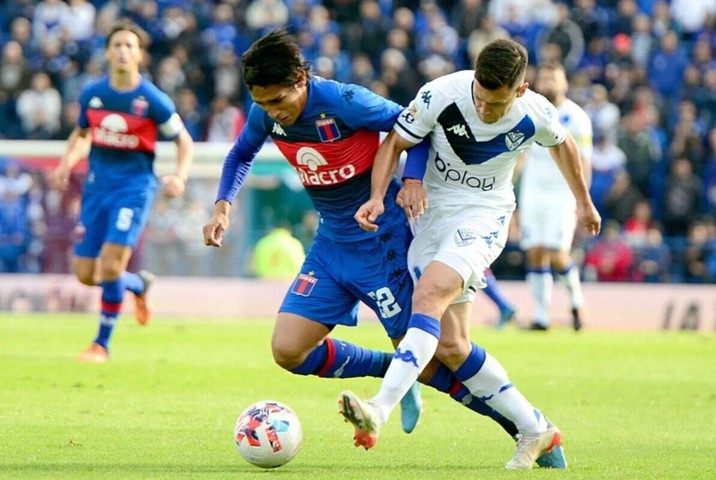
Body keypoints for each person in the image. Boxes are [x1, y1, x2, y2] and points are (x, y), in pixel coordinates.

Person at [201, 31, 564, 467]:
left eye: (278, 100)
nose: (272, 111)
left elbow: (416, 129)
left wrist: (411, 180)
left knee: (439, 359)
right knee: (288, 350)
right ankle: (390, 370)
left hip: (384, 240)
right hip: (331, 244)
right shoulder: (267, 115)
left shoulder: (346, 101)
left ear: (301, 78)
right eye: (263, 103)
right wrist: (223, 206)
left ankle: (530, 431)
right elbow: (239, 154)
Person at [345, 39, 601, 469]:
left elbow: (565, 146)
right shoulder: (441, 94)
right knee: (452, 344)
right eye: (480, 99)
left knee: (426, 298)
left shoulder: (534, 111)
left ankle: (379, 408)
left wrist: (584, 201)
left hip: (484, 216)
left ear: (519, 91)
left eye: (495, 104)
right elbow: (394, 143)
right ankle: (536, 428)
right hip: (430, 215)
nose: (484, 110)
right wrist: (378, 196)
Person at [49, 20, 194, 363]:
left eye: (130, 45)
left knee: (111, 266)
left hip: (134, 189)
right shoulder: (93, 94)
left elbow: (183, 141)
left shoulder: (153, 100)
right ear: (107, 52)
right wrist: (67, 162)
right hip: (97, 189)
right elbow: (83, 135)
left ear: (140, 55)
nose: (122, 51)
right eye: (116, 45)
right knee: (86, 274)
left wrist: (180, 177)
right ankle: (137, 286)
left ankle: (101, 344)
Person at [517, 62, 594, 331]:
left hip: (562, 193)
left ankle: (576, 302)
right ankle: (541, 317)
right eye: (545, 77)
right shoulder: (528, 108)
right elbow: (519, 155)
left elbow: (584, 161)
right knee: (535, 252)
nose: (549, 82)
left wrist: (582, 200)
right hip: (533, 189)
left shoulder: (577, 117)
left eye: (554, 78)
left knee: (558, 253)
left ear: (565, 84)